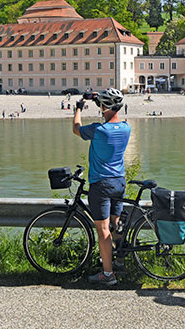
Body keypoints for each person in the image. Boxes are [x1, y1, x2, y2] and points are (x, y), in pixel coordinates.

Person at [72, 88, 130, 286]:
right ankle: (120, 262)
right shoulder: (126, 128)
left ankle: (107, 274)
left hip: (101, 183)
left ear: (104, 107)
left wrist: (78, 108)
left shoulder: (97, 130)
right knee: (116, 224)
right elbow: (110, 115)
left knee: (103, 229)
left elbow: (76, 128)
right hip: (119, 181)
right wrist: (100, 100)